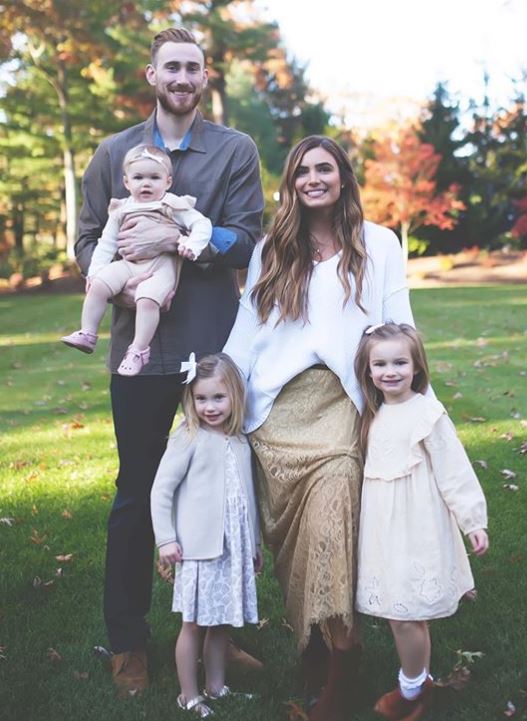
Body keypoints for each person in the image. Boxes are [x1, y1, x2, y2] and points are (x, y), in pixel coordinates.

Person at [73, 27, 263, 696]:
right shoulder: (114, 152)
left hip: (215, 352)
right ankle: (128, 641)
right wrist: (128, 268)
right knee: (136, 492)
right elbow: (88, 238)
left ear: (204, 77)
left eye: (192, 67)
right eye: (170, 67)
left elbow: (249, 239)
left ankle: (216, 631)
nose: (182, 76)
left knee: (222, 490)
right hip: (139, 353)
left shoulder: (234, 149)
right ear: (152, 76)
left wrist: (187, 241)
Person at [223, 135, 417, 721]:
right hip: (278, 412)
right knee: (294, 544)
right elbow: (247, 326)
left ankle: (343, 663)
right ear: (292, 180)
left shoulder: (378, 244)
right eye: (303, 170)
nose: (314, 178)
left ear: (342, 177)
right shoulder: (273, 248)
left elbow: (400, 323)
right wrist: (216, 385)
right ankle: (312, 644)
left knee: (334, 518)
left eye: (324, 168)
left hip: (342, 406)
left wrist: (416, 407)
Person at [353, 322, 489, 721]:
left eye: (400, 362)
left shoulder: (427, 413)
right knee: (399, 610)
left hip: (417, 527)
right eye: (380, 364)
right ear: (368, 369)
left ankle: (413, 687)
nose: (390, 372)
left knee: (408, 612)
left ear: (417, 367)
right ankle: (417, 681)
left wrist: (472, 521)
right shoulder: (372, 414)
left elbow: (454, 469)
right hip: (383, 530)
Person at [151, 353, 262, 717]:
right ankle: (188, 694)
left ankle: (216, 687)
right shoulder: (189, 436)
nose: (209, 407)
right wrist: (166, 538)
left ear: (235, 397)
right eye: (201, 399)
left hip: (233, 547)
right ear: (191, 400)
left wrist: (255, 544)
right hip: (198, 549)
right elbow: (161, 489)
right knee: (195, 623)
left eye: (218, 398)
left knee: (221, 621)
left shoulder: (239, 438)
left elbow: (248, 496)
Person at [62, 144, 212, 376]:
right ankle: (88, 333)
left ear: (168, 182)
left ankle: (139, 350)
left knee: (147, 298)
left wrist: (192, 244)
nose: (146, 183)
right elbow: (106, 243)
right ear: (126, 182)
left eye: (154, 177)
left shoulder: (172, 204)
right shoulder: (121, 209)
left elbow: (202, 224)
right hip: (128, 264)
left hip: (160, 268)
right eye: (139, 177)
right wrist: (95, 272)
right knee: (99, 284)